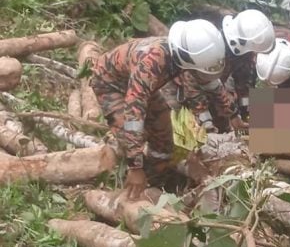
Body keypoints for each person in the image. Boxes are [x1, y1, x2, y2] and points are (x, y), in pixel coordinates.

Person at [90, 19, 242, 199]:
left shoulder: (188, 57)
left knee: (163, 137)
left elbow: (213, 86)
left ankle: (156, 180)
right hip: (111, 85)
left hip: (145, 87)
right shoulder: (151, 62)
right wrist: (135, 167)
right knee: (128, 133)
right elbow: (134, 115)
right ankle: (132, 182)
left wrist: (233, 114)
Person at [172, 9, 275, 132]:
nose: (254, 57)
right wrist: (205, 119)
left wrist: (241, 113)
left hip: (211, 88)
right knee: (181, 130)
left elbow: (241, 85)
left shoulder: (242, 55)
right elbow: (191, 80)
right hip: (179, 88)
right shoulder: (207, 42)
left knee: (223, 130)